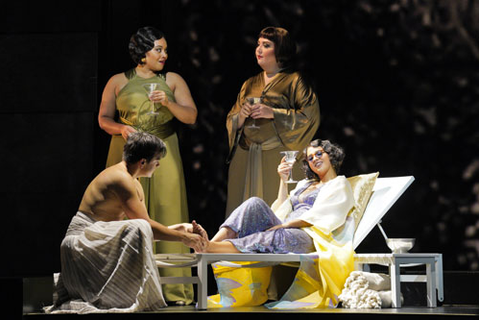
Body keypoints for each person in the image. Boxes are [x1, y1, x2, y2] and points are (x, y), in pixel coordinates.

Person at [45, 132, 207, 314]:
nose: (159, 164)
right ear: (143, 162)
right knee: (139, 226)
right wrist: (183, 238)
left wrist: (181, 228)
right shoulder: (121, 179)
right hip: (82, 242)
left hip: (99, 240)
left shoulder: (134, 182)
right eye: (157, 159)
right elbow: (144, 226)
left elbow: (144, 231)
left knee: (139, 227)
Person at [98, 26, 197, 305]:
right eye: (158, 49)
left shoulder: (172, 79)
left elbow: (190, 116)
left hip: (164, 149)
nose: (164, 54)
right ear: (142, 54)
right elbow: (103, 118)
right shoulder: (117, 81)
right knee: (124, 214)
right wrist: (120, 129)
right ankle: (124, 286)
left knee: (168, 210)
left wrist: (167, 102)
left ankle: (174, 289)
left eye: (165, 49)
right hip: (127, 150)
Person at [193, 139, 356, 308]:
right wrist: (283, 181)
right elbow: (281, 207)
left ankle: (210, 249)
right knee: (253, 203)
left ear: (332, 155)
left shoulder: (339, 184)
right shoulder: (304, 184)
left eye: (319, 154)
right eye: (310, 157)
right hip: (288, 226)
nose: (314, 159)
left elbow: (324, 216)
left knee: (274, 235)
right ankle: (211, 242)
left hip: (309, 235)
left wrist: (286, 225)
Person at [225, 26, 321, 217]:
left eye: (266, 45)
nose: (258, 50)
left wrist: (274, 113)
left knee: (276, 210)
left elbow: (310, 117)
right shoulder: (250, 83)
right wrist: (242, 116)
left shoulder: (295, 80)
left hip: (277, 156)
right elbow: (231, 120)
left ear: (280, 50)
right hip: (246, 155)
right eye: (258, 44)